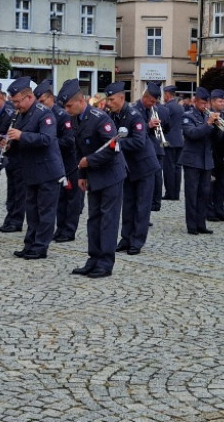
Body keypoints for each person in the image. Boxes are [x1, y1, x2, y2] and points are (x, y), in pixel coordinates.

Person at [59, 78, 126, 278]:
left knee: (108, 219)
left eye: (69, 105)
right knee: (93, 219)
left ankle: (105, 262)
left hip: (111, 175)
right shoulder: (75, 120)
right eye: (65, 106)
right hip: (93, 175)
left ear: (81, 101)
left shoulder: (100, 119)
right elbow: (79, 149)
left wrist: (90, 161)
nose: (67, 110)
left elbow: (114, 147)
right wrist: (82, 174)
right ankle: (93, 259)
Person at [6, 77, 64, 260]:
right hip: (31, 171)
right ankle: (29, 244)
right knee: (31, 210)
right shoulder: (21, 114)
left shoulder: (44, 114)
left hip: (47, 171)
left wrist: (22, 135)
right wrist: (7, 144)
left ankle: (40, 247)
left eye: (17, 101)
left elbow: (46, 139)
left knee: (45, 211)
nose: (15, 106)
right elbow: (19, 140)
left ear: (28, 97)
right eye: (13, 102)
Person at [106, 81, 160, 256]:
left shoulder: (134, 115)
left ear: (121, 98)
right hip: (127, 167)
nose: (108, 102)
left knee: (141, 206)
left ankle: (137, 241)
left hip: (144, 166)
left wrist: (116, 143)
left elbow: (139, 141)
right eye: (108, 99)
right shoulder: (114, 114)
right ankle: (126, 238)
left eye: (111, 99)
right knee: (128, 204)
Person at [36, 81, 82, 243]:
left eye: (43, 102)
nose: (41, 105)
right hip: (56, 163)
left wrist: (50, 142)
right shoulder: (42, 115)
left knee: (71, 198)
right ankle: (60, 228)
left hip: (69, 163)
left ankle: (69, 230)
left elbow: (69, 141)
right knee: (60, 197)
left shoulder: (62, 115)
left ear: (51, 99)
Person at [179, 88, 218, 235]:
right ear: (195, 101)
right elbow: (193, 134)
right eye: (202, 103)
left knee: (204, 194)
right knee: (192, 194)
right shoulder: (187, 116)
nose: (205, 106)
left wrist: (218, 127)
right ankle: (192, 225)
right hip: (192, 161)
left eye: (207, 103)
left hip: (207, 161)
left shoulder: (207, 115)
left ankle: (201, 224)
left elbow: (215, 139)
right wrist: (208, 124)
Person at [0, 83, 24, 234]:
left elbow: (12, 134)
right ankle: (10, 219)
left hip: (17, 155)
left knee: (18, 191)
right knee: (12, 190)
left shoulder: (9, 113)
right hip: (9, 156)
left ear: (1, 98)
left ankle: (16, 221)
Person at [135, 83, 168, 213]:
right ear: (145, 98)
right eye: (152, 101)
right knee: (144, 184)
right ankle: (143, 210)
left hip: (155, 148)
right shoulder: (135, 109)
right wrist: (148, 125)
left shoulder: (156, 110)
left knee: (156, 179)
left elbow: (167, 127)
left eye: (156, 102)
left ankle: (153, 204)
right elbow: (134, 128)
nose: (154, 104)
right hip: (141, 152)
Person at [205, 89, 224, 222]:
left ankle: (219, 210)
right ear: (212, 102)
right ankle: (209, 212)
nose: (222, 103)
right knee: (211, 185)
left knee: (222, 184)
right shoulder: (207, 115)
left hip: (222, 155)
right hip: (211, 153)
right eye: (219, 101)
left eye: (223, 101)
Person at [161, 85, 184, 200]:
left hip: (169, 140)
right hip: (179, 140)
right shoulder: (180, 107)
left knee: (169, 168)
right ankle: (176, 193)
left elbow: (163, 123)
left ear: (167, 94)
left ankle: (170, 193)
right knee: (177, 167)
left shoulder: (167, 107)